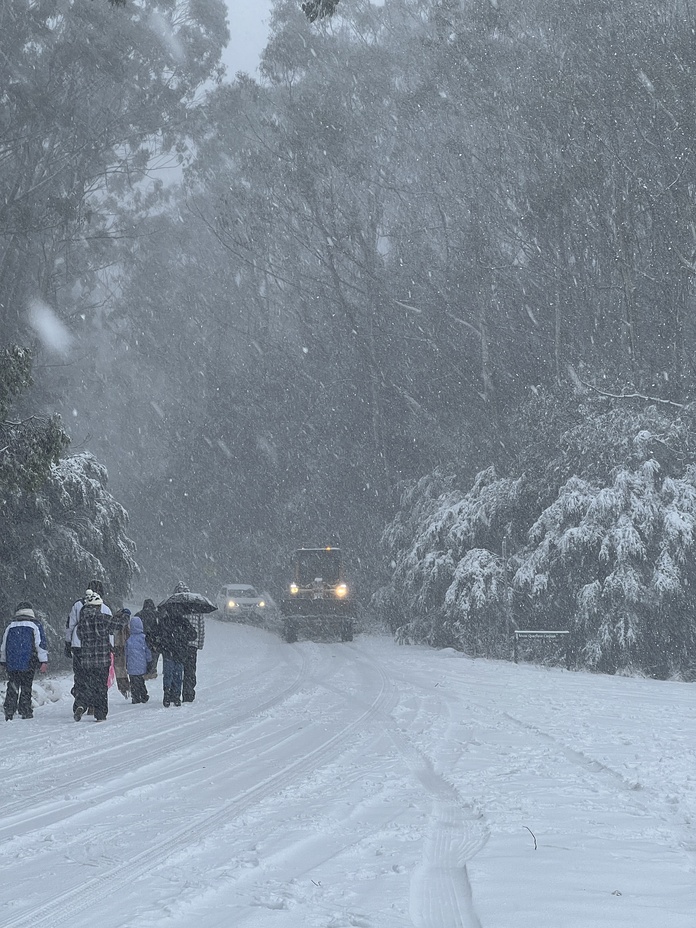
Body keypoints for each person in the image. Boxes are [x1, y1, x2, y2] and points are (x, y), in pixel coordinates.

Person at [74, 589, 129, 722]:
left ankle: (81, 704)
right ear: (98, 606)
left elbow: (80, 636)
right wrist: (126, 615)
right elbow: (119, 625)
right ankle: (100, 714)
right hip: (102, 659)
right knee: (101, 687)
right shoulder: (103, 618)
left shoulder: (82, 621)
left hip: (87, 659)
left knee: (88, 685)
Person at [66, 579, 112, 718]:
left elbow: (70, 625)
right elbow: (110, 630)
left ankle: (80, 702)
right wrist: (111, 647)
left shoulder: (78, 605)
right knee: (98, 679)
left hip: (79, 645)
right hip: (98, 648)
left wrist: (68, 643)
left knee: (81, 676)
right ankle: (95, 706)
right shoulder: (104, 607)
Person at [1, 602, 48, 720]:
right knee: (26, 685)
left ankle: (9, 710)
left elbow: (3, 646)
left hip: (12, 662)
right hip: (28, 661)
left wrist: (3, 661)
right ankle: (25, 709)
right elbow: (40, 645)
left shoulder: (10, 626)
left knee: (12, 684)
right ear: (31, 611)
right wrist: (43, 661)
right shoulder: (35, 625)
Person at [155, 602, 196, 708]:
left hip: (168, 651)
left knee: (168, 674)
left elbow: (156, 634)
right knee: (178, 674)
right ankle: (176, 695)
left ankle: (167, 694)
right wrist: (184, 637)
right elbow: (193, 635)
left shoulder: (164, 621)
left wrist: (160, 645)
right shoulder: (184, 622)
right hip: (180, 652)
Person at [125, 613, 151, 704]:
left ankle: (135, 697)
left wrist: (126, 663)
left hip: (132, 665)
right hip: (141, 664)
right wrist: (149, 660)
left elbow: (126, 653)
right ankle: (143, 695)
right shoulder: (143, 638)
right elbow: (147, 651)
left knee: (133, 682)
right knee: (140, 681)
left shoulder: (129, 640)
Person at [182, 610, 205, 703]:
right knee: (190, 670)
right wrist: (200, 644)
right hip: (193, 645)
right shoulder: (198, 611)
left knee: (180, 669)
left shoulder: (181, 609)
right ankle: (189, 692)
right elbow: (201, 629)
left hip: (181, 644)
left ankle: (177, 692)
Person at [136, 598, 160, 679]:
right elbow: (157, 628)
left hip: (141, 638)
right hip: (152, 638)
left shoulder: (138, 615)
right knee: (153, 655)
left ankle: (144, 670)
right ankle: (152, 670)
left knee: (143, 655)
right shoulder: (155, 615)